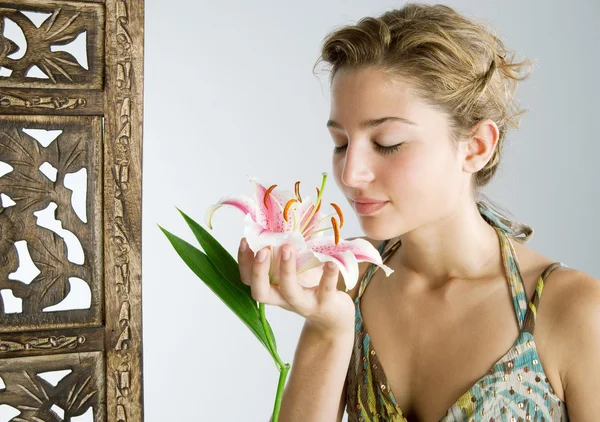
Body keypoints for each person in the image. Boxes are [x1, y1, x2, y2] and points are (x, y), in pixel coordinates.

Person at [238, 3, 600, 421]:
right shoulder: (349, 281)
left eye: (387, 141)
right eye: (341, 143)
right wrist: (329, 327)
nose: (351, 174)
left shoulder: (573, 310)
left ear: (476, 147)